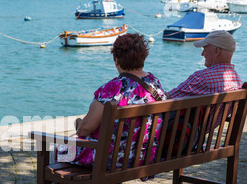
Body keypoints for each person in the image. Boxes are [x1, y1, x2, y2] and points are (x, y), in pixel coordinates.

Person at [55, 33, 168, 171]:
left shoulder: (112, 89)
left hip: (111, 160)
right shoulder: (154, 83)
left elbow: (85, 129)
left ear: (116, 61)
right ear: (143, 58)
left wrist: (79, 131)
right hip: (144, 157)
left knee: (58, 148)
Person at [168, 30, 242, 99]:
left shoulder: (202, 78)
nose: (202, 54)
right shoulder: (237, 80)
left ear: (217, 51)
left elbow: (167, 98)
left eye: (205, 50)